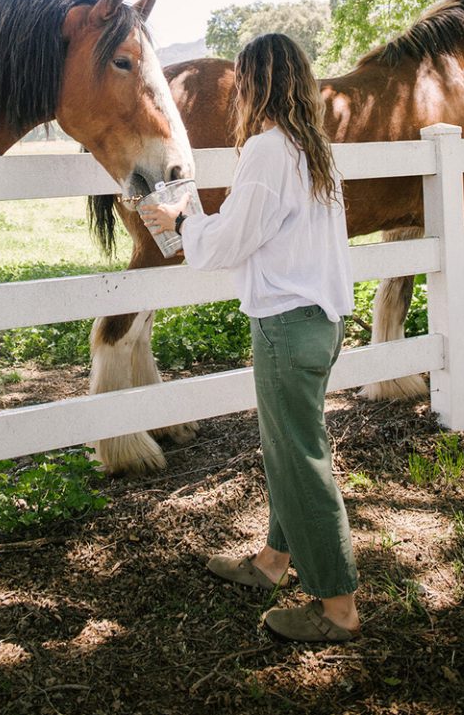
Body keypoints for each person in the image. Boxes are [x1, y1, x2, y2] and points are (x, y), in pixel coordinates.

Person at [140, 33, 360, 643]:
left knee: (301, 461)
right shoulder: (311, 150)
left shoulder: (267, 151)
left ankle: (337, 606)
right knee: (288, 451)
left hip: (287, 328)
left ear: (256, 85)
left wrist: (181, 218)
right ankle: (274, 561)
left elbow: (229, 241)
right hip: (317, 323)